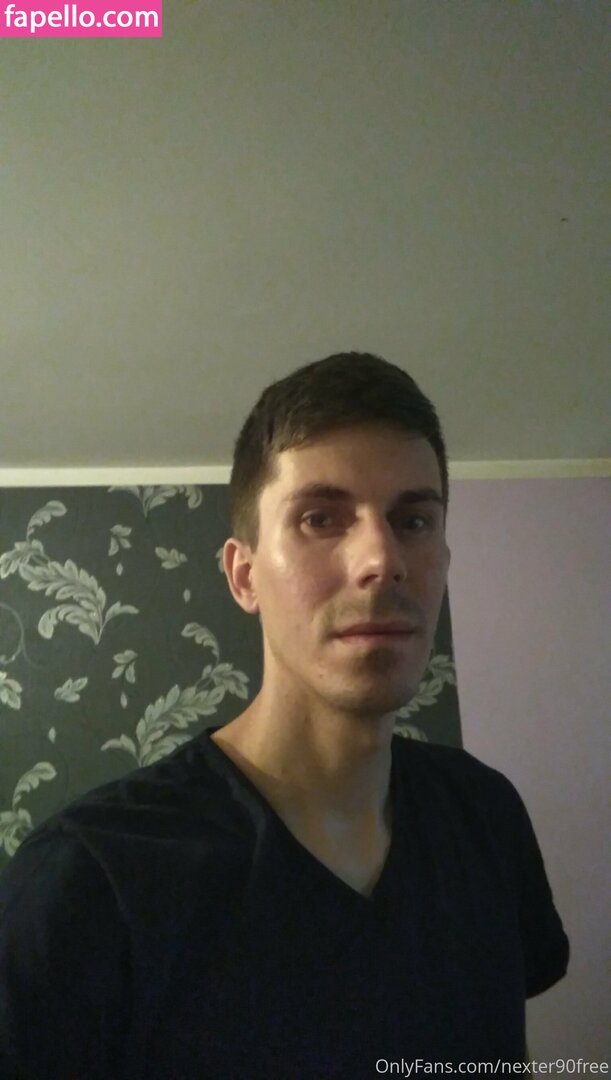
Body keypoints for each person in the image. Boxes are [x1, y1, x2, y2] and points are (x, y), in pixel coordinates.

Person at [0, 352, 569, 1079]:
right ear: (244, 576)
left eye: (413, 520)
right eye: (320, 518)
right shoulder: (87, 881)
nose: (382, 558)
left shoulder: (484, 812)